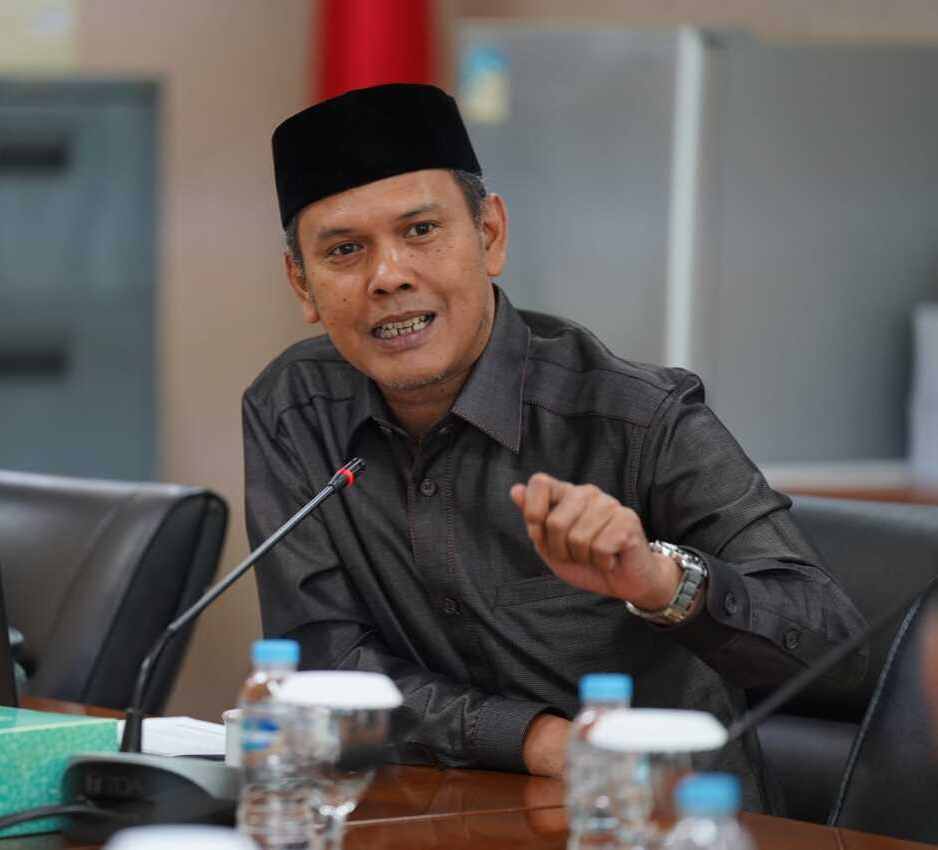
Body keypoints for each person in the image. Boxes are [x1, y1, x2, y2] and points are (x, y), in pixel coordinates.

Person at [242, 83, 866, 813]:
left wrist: (660, 582)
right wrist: (538, 742)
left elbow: (839, 655)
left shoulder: (637, 417)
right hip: (431, 819)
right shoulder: (292, 410)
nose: (389, 277)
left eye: (421, 231)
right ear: (302, 283)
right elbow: (321, 663)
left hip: (658, 821)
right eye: (346, 251)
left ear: (490, 235)